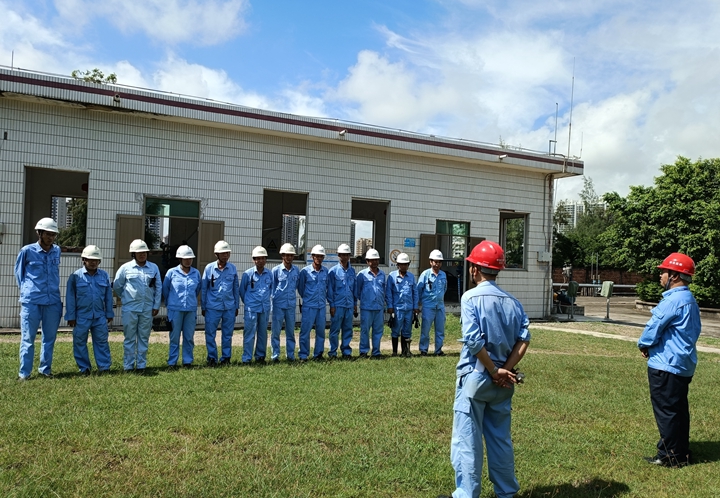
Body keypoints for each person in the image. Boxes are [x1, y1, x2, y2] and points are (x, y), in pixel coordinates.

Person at [447, 240, 530, 498]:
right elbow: (524, 340)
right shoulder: (513, 302)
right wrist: (505, 370)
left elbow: (473, 341)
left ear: (475, 269)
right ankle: (506, 492)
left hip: (477, 377)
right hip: (503, 382)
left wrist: (493, 370)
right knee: (500, 439)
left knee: (467, 440)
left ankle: (466, 493)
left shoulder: (470, 297)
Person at [638, 252, 701, 468]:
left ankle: (669, 456)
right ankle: (681, 452)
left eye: (663, 271)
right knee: (678, 410)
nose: (660, 275)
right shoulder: (689, 300)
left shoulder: (672, 301)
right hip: (683, 363)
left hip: (667, 364)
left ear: (674, 275)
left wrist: (644, 344)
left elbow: (653, 327)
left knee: (666, 411)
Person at [15, 217, 63, 380]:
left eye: (53, 234)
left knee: (49, 338)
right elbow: (19, 274)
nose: (51, 237)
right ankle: (24, 373)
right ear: (39, 233)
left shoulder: (57, 250)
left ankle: (45, 370)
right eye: (47, 234)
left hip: (52, 301)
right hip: (32, 302)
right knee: (28, 338)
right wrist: (27, 291)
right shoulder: (27, 251)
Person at [113, 239, 162, 373]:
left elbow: (158, 287)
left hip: (147, 308)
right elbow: (117, 286)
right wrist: (125, 297)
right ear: (133, 254)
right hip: (130, 309)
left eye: (144, 252)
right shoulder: (125, 268)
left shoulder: (154, 268)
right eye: (139, 252)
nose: (142, 255)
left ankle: (141, 366)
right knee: (129, 337)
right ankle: (128, 366)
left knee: (143, 337)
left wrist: (156, 305)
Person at [65, 245, 113, 375]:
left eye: (96, 260)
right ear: (84, 260)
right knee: (79, 342)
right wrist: (71, 316)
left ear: (99, 261)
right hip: (81, 316)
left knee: (102, 341)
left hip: (99, 316)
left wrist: (109, 313)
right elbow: (70, 297)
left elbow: (108, 296)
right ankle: (84, 368)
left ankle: (104, 367)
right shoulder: (75, 276)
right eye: (90, 259)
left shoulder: (104, 275)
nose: (93, 262)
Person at [201, 240, 240, 366]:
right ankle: (212, 358)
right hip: (212, 307)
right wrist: (203, 306)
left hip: (229, 307)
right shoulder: (209, 268)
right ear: (216, 254)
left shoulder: (232, 268)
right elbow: (204, 288)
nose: (226, 255)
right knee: (210, 333)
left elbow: (236, 288)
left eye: (227, 253)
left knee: (227, 334)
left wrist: (236, 306)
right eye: (223, 253)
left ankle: (226, 357)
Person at [162, 245, 201, 368]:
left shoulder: (196, 273)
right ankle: (172, 362)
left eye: (190, 258)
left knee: (189, 337)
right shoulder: (171, 273)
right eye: (185, 259)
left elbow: (197, 290)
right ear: (180, 259)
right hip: (175, 309)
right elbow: (165, 290)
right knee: (174, 337)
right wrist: (171, 303)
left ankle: (187, 361)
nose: (188, 261)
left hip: (190, 309)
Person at [240, 246, 273, 364]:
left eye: (263, 258)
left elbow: (271, 290)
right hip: (251, 309)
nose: (260, 261)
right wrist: (249, 303)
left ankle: (260, 356)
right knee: (249, 333)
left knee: (263, 333)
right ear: (253, 260)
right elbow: (242, 291)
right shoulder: (247, 274)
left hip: (264, 309)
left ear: (266, 260)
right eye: (258, 258)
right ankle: (247, 358)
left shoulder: (269, 274)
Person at [298, 245, 330, 361]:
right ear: (312, 257)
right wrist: (308, 298)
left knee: (320, 332)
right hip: (309, 306)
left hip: (321, 306)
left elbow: (327, 287)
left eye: (321, 256)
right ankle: (303, 355)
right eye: (317, 256)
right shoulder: (305, 272)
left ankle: (318, 354)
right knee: (305, 331)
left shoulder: (325, 272)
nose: (319, 258)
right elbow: (301, 288)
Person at [270, 243, 299, 362]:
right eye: (287, 255)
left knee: (290, 332)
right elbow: (272, 288)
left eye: (291, 255)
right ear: (282, 256)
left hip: (290, 305)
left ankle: (290, 355)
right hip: (278, 305)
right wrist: (273, 303)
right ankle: (275, 356)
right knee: (275, 332)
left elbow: (297, 286)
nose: (289, 257)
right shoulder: (276, 270)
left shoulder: (296, 270)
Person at [355, 248, 387, 359]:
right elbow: (357, 291)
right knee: (365, 330)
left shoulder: (382, 274)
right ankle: (363, 352)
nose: (374, 262)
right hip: (366, 308)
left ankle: (376, 352)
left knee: (378, 331)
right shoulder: (361, 275)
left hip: (379, 308)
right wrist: (365, 300)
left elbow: (384, 290)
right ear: (367, 261)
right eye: (372, 260)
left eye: (376, 260)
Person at [327, 243, 357, 359]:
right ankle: (332, 352)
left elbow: (354, 289)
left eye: (347, 255)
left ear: (349, 256)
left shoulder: (352, 271)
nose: (344, 257)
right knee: (335, 330)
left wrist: (355, 304)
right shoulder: (333, 271)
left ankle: (346, 352)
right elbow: (330, 290)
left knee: (348, 329)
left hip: (349, 305)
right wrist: (332, 305)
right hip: (337, 305)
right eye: (342, 255)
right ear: (338, 255)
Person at [386, 252, 418, 357]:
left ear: (408, 265)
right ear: (397, 265)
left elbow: (415, 293)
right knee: (395, 330)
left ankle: (405, 351)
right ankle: (395, 352)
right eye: (401, 264)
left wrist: (415, 307)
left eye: (405, 264)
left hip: (409, 309)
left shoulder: (411, 277)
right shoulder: (392, 276)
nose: (403, 266)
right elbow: (389, 293)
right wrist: (390, 306)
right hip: (397, 309)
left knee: (407, 331)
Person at [417, 249, 448, 356]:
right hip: (428, 306)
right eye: (435, 262)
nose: (437, 264)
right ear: (430, 262)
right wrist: (418, 303)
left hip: (440, 306)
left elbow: (444, 288)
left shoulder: (443, 275)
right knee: (425, 330)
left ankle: (438, 350)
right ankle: (423, 349)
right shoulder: (425, 274)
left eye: (439, 262)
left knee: (440, 330)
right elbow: (419, 289)